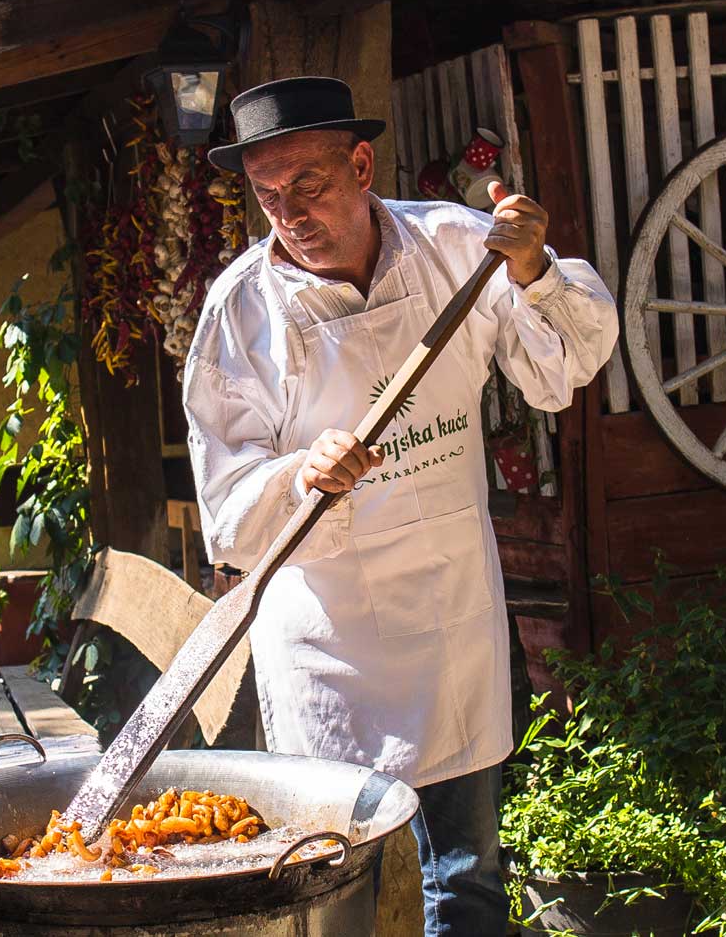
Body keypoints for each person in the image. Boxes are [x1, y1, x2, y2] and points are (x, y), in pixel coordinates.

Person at [182, 76, 618, 935]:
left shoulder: (458, 246)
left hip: (451, 619)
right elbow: (228, 510)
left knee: (467, 878)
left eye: (308, 184)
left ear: (361, 163)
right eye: (269, 197)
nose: (291, 215)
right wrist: (304, 474)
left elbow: (560, 369)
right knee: (331, 892)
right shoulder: (240, 310)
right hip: (328, 647)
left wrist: (532, 268)